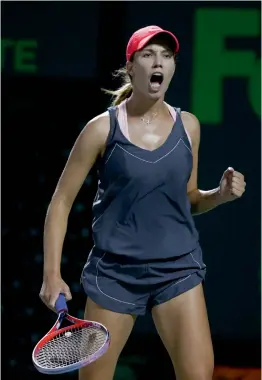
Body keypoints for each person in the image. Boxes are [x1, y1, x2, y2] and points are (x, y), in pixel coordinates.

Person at [40, 25, 246, 380]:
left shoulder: (189, 126)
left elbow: (189, 201)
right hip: (114, 273)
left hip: (177, 270)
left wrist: (220, 195)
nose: (159, 62)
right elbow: (60, 203)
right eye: (149, 55)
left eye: (167, 56)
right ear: (131, 67)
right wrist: (51, 275)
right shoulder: (100, 130)